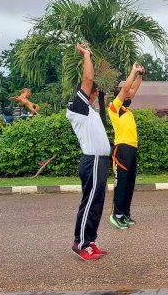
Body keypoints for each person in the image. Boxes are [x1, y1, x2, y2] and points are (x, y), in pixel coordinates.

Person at [66, 43, 111, 261]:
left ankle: (90, 241)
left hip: (100, 162)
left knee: (97, 203)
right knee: (90, 202)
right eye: (94, 91)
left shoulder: (90, 112)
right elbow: (87, 79)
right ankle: (81, 243)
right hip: (92, 161)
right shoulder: (77, 108)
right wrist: (87, 55)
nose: (96, 92)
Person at [107, 62, 145, 229]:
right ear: (121, 96)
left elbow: (133, 89)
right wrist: (133, 71)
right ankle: (116, 214)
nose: (131, 95)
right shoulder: (114, 109)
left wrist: (141, 75)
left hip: (132, 149)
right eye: (128, 94)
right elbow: (126, 89)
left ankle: (126, 214)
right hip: (121, 149)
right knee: (121, 184)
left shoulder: (127, 111)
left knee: (130, 184)